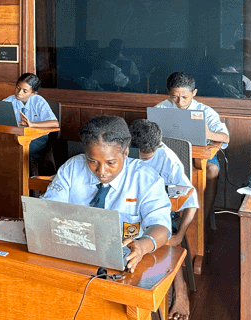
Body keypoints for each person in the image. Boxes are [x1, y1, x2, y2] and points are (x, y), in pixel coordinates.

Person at [42, 116, 172, 273]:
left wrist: (142, 246)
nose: (101, 172)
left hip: (125, 260)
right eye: (92, 161)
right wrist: (37, 223)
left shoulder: (146, 179)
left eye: (111, 163)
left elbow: (161, 225)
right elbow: (49, 208)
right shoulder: (72, 168)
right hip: (75, 252)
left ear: (125, 153)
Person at [130, 119, 198, 320]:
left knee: (164, 240)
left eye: (146, 155)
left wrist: (180, 235)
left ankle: (180, 289)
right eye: (138, 153)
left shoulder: (168, 159)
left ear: (158, 146)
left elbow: (191, 202)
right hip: (131, 209)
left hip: (161, 214)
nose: (141, 157)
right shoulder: (124, 149)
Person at [154, 71, 229, 227]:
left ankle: (202, 217)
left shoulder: (206, 111)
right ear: (169, 93)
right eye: (174, 97)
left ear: (194, 93)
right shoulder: (161, 108)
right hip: (171, 156)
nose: (180, 102)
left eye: (185, 97)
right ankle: (168, 215)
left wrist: (209, 133)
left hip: (200, 156)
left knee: (211, 170)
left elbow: (225, 137)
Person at [2, 73, 59, 174]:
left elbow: (55, 123)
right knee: (2, 148)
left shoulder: (39, 101)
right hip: (17, 137)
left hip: (37, 138)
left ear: (33, 93)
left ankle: (25, 183)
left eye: (25, 91)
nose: (19, 93)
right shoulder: (9, 101)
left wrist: (32, 124)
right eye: (17, 88)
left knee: (17, 150)